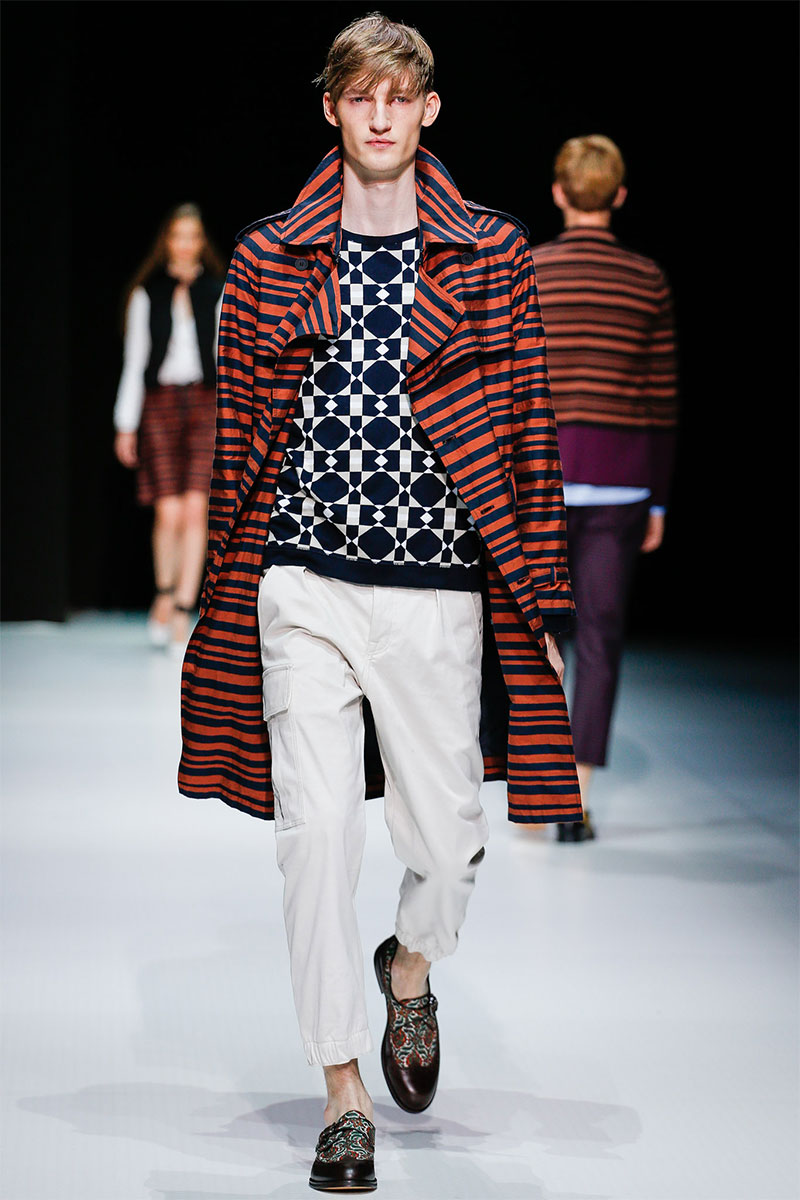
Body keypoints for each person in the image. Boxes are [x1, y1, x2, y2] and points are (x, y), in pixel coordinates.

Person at [178, 13, 582, 1191]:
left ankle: (407, 970)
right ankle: (342, 1091)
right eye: (360, 95)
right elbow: (239, 437)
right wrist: (224, 586)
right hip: (301, 580)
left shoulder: (490, 254)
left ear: (428, 109)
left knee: (447, 845)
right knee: (314, 840)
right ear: (332, 108)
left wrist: (543, 597)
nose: (379, 114)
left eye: (399, 95)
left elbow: (528, 428)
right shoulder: (267, 258)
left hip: (435, 590)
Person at [531, 135, 679, 843]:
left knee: (530, 630)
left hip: (537, 478)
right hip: (621, 481)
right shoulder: (647, 278)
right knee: (599, 636)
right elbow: (662, 397)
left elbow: (504, 384)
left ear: (558, 193)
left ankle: (534, 783)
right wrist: (659, 497)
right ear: (619, 196)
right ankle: (575, 796)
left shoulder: (530, 270)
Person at [113, 203, 225, 654]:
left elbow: (225, 358)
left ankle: (182, 608)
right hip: (159, 404)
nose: (184, 245)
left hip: (205, 403)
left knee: (197, 509)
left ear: (201, 243)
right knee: (168, 513)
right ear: (167, 242)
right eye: (178, 236)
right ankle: (163, 593)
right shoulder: (148, 293)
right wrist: (125, 425)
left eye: (192, 236)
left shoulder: (217, 290)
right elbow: (135, 360)